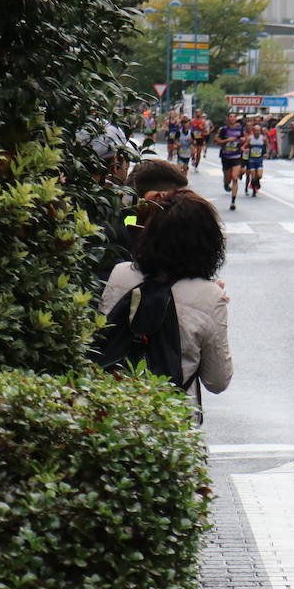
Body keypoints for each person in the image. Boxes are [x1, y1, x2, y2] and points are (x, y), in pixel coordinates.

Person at [100, 188, 232, 403]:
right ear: (208, 245)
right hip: (172, 420)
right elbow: (217, 381)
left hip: (115, 407)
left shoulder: (121, 274)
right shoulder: (210, 296)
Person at [216, 114, 247, 211]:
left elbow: (245, 139)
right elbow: (216, 140)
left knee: (235, 178)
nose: (232, 118)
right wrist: (226, 140)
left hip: (236, 156)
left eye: (234, 117)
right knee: (228, 179)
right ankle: (225, 184)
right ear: (228, 119)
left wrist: (243, 141)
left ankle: (233, 201)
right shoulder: (224, 129)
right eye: (230, 117)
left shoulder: (240, 129)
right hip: (226, 157)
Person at [243, 123, 267, 197]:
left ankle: (257, 182)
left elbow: (267, 146)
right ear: (253, 131)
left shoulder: (263, 138)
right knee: (253, 177)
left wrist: (267, 153)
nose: (257, 132)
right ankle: (254, 191)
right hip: (251, 160)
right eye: (256, 130)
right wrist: (245, 150)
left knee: (259, 175)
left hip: (259, 160)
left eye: (258, 130)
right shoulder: (250, 138)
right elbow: (244, 146)